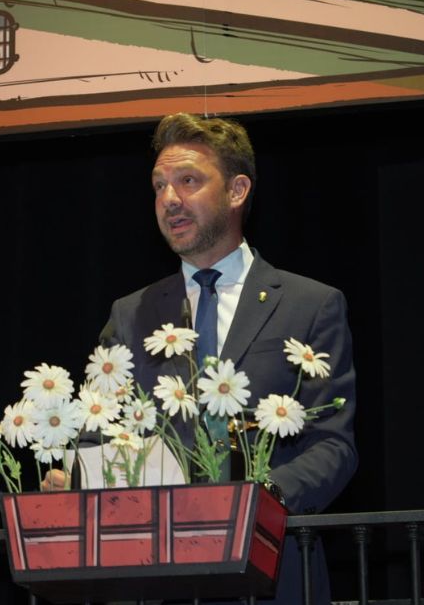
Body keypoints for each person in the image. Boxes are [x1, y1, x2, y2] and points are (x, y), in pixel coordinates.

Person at [96, 112, 358, 604]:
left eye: (188, 181)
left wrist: (256, 503)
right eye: (159, 186)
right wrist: (79, 470)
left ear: (237, 191)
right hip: (159, 582)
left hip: (276, 574)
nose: (168, 199)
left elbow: (333, 446)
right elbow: (100, 432)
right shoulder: (131, 315)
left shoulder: (310, 305)